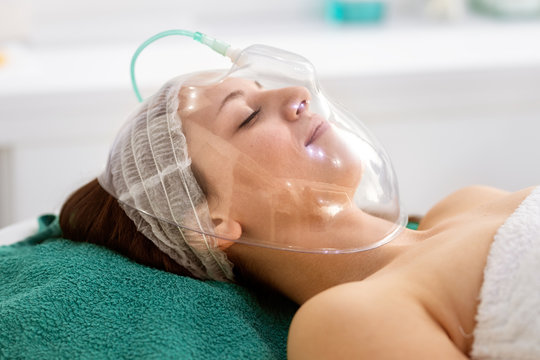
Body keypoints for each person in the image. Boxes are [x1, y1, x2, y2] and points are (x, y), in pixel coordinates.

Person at [60, 51, 539, 358]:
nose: (298, 95)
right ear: (210, 222)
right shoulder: (347, 324)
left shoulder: (466, 203)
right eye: (247, 116)